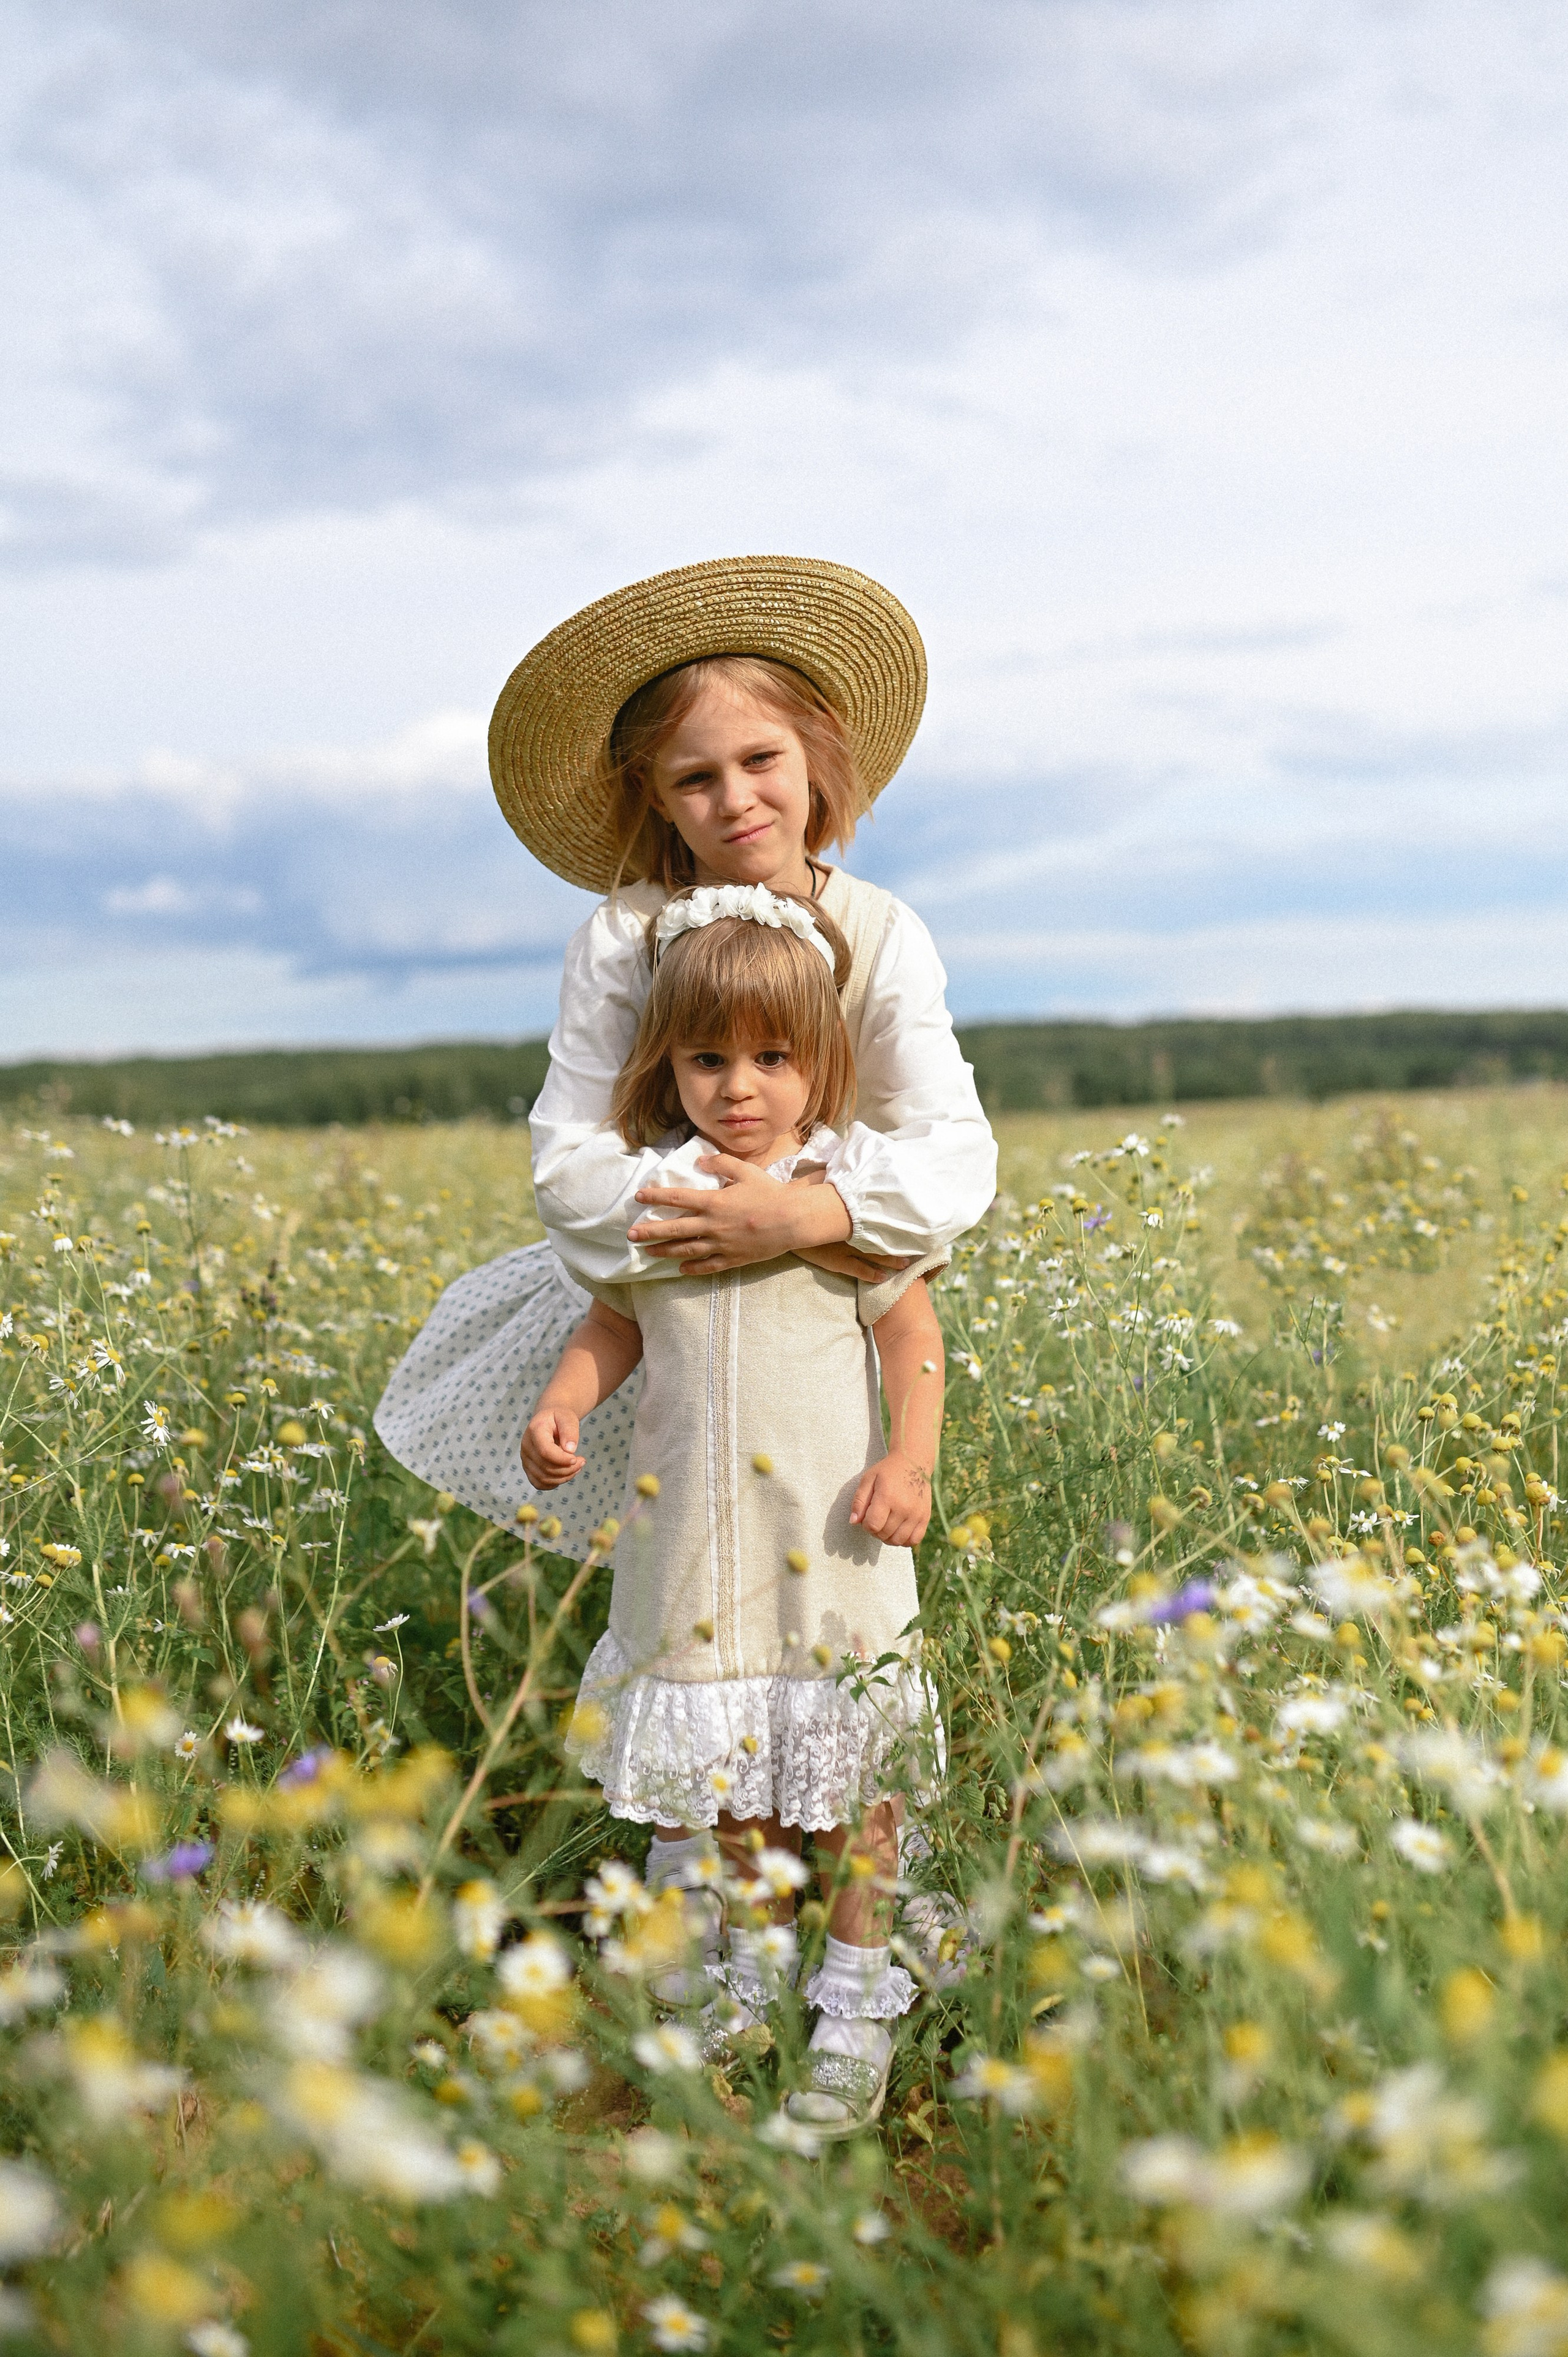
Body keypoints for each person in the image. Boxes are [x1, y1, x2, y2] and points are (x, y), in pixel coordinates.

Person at [374, 555, 996, 1566]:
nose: (736, 800)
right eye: (694, 779)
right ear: (654, 799)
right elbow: (571, 1165)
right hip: (658, 1281)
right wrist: (709, 1211)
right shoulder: (623, 939)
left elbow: (952, 1154)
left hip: (829, 1289)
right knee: (685, 1563)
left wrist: (801, 1212)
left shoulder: (881, 934)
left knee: (815, 1555)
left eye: (761, 761)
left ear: (817, 756)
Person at [522, 883, 946, 2136]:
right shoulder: (656, 1191)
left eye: (771, 1057)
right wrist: (564, 1396)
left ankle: (857, 1993)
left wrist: (910, 1463)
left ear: (822, 1065)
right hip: (699, 1548)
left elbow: (914, 1336)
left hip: (832, 1546)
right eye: (707, 1058)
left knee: (860, 1781)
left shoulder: (843, 1193)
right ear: (667, 1066)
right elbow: (616, 1319)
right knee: (737, 1777)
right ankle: (750, 1966)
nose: (739, 1086)